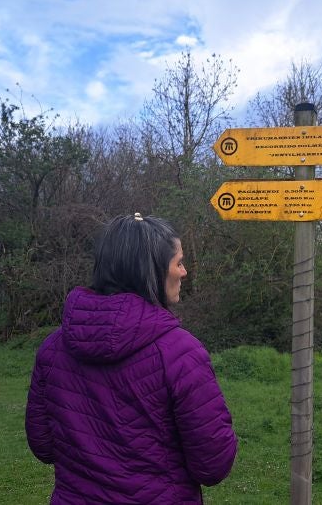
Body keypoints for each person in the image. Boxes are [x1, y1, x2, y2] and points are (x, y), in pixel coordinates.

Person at [25, 213, 237, 504]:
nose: (184, 272)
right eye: (179, 262)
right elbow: (212, 464)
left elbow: (43, 445)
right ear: (151, 271)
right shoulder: (181, 353)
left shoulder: (52, 348)